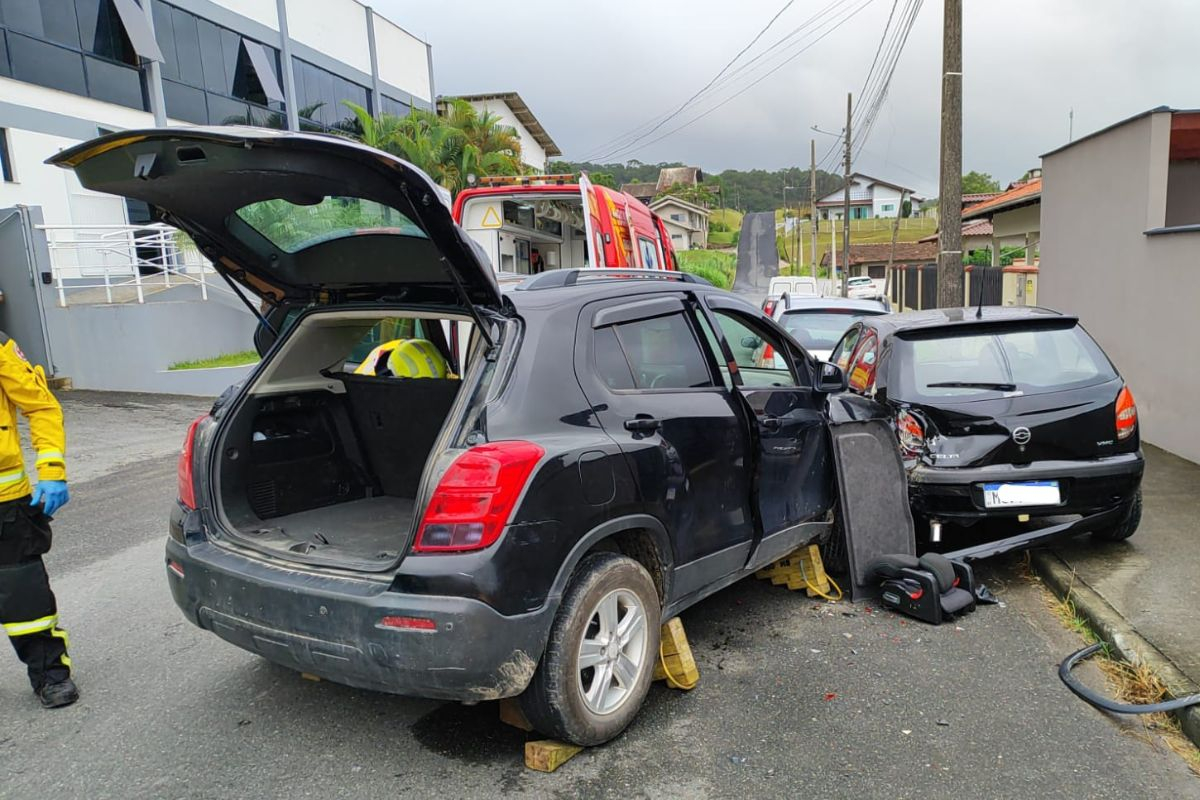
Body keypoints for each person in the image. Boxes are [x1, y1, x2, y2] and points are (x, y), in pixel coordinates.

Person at [0, 331, 77, 708]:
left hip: (4, 503)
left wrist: (51, 469)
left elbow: (41, 407)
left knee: (23, 596)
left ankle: (50, 674)